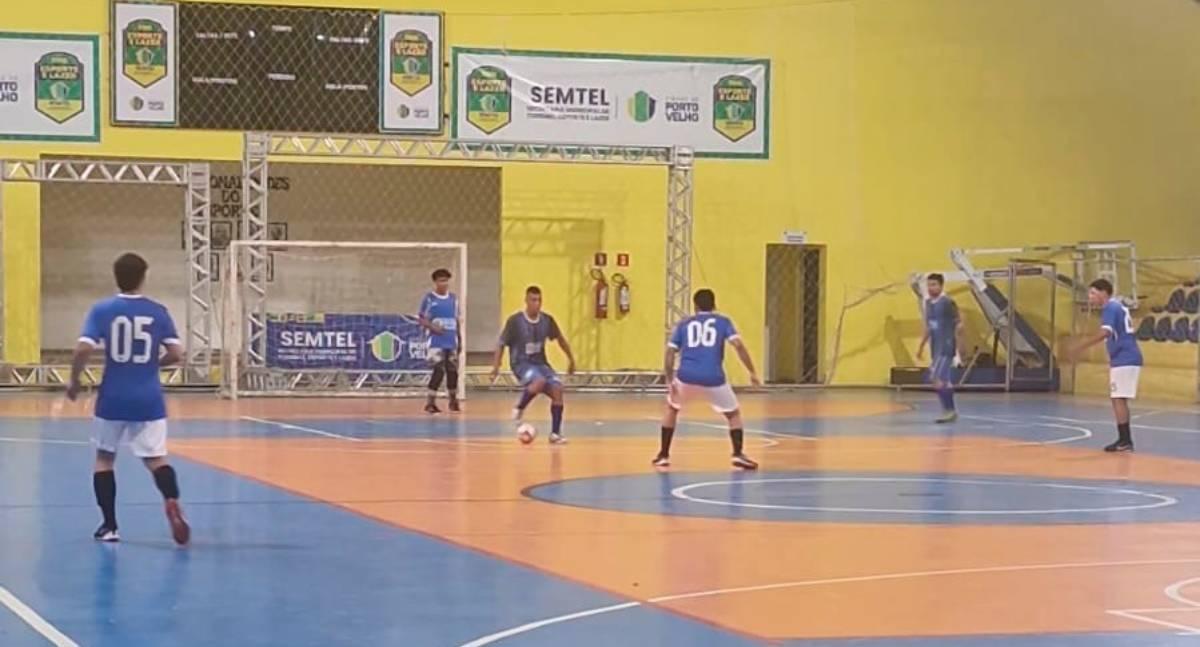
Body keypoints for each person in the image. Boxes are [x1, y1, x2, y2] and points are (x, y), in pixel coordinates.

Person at [66, 253, 190, 545]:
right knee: (156, 458)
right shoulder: (158, 312)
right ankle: (171, 500)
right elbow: (176, 354)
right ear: (143, 277)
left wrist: (75, 380)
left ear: (116, 276)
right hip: (148, 399)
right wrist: (152, 364)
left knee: (104, 458)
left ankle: (110, 526)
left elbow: (83, 349)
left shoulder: (103, 309)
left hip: (113, 397)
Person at [655, 289, 761, 470]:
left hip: (686, 376)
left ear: (695, 306)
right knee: (733, 414)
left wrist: (669, 379)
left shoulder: (684, 324)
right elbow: (738, 345)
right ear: (714, 304)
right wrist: (752, 372)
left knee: (672, 409)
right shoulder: (723, 322)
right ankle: (738, 454)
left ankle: (663, 455)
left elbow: (670, 351)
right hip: (714, 377)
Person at [489, 286, 576, 444]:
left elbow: (560, 339)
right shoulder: (515, 321)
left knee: (557, 389)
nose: (536, 304)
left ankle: (555, 434)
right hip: (521, 364)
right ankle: (519, 409)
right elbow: (501, 344)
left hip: (541, 364)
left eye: (539, 300)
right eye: (533, 300)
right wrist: (496, 367)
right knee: (539, 381)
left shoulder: (547, 320)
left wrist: (571, 359)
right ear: (526, 301)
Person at [1071, 279, 1143, 452]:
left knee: (1118, 398)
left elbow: (1106, 332)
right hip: (1125, 357)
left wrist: (1081, 346)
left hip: (1125, 358)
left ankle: (1125, 440)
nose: (1090, 297)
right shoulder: (1118, 307)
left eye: (1093, 293)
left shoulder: (1110, 307)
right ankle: (1124, 439)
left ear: (1104, 292)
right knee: (1118, 398)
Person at [916, 273, 964, 423]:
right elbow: (929, 327)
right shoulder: (929, 304)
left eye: (934, 285)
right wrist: (921, 346)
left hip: (946, 347)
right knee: (944, 380)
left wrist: (960, 346)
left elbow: (960, 323)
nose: (931, 288)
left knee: (935, 377)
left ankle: (949, 410)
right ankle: (950, 411)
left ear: (941, 286)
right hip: (935, 347)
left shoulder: (947, 302)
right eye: (929, 285)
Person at [417, 268, 462, 414]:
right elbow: (421, 319)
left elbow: (456, 320)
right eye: (441, 281)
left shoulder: (453, 299)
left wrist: (459, 339)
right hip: (436, 341)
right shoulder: (430, 299)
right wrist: (433, 327)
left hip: (451, 340)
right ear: (435, 282)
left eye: (446, 281)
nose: (444, 284)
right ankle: (430, 402)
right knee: (438, 370)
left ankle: (453, 400)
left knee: (452, 371)